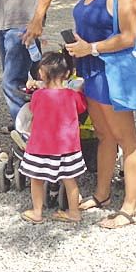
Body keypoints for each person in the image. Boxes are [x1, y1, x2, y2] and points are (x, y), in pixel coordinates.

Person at [64, 0, 136, 229]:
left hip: (113, 73)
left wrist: (92, 47)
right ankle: (102, 193)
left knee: (127, 139)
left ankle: (131, 206)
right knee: (103, 135)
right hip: (92, 70)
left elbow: (129, 36)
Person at [19, 50, 87, 225]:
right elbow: (81, 109)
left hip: (41, 147)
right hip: (67, 147)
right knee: (70, 181)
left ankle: (37, 212)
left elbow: (33, 110)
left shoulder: (38, 95)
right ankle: (73, 213)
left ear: (42, 73)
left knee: (37, 180)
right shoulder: (73, 96)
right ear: (66, 73)